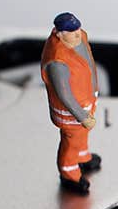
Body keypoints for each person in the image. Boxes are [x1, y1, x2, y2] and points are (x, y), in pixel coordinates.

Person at [40, 12, 101, 194]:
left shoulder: (80, 38)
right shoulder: (57, 62)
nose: (77, 34)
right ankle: (69, 173)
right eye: (71, 32)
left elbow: (89, 64)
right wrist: (81, 116)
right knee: (71, 141)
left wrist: (94, 93)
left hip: (87, 101)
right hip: (71, 113)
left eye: (77, 29)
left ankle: (82, 157)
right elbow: (65, 96)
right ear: (59, 34)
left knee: (82, 135)